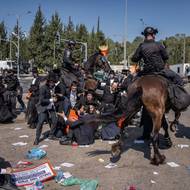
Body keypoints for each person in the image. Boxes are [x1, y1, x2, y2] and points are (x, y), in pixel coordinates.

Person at [34, 76, 58, 145]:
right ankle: (37, 138)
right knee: (40, 122)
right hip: (43, 107)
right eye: (50, 82)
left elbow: (54, 96)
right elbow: (41, 100)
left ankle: (51, 135)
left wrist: (55, 98)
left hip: (51, 107)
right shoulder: (43, 88)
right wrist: (51, 100)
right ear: (48, 82)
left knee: (55, 120)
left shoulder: (54, 88)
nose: (52, 83)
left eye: (53, 82)